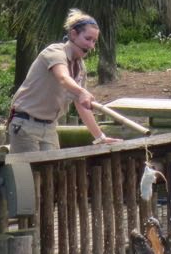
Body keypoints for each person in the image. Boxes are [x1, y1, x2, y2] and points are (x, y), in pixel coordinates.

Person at [7, 8, 121, 153]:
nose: (91, 46)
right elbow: (63, 78)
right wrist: (81, 91)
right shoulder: (54, 52)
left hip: (49, 127)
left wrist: (100, 137)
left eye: (94, 41)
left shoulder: (80, 67)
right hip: (25, 124)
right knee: (27, 174)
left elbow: (81, 105)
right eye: (87, 39)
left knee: (52, 172)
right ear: (73, 34)